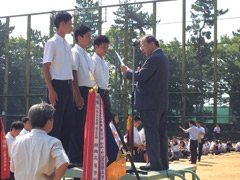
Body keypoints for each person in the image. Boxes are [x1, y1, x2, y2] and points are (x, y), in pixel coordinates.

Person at [121, 34, 169, 171]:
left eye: (143, 45)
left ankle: (154, 163)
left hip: (150, 104)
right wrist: (140, 73)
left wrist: (127, 71)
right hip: (161, 103)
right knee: (160, 134)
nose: (142, 49)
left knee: (151, 133)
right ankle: (162, 163)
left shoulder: (154, 58)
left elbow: (141, 76)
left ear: (152, 43)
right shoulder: (163, 58)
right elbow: (147, 77)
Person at [43, 11, 75, 154]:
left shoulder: (67, 44)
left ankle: (63, 158)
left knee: (67, 123)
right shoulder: (52, 42)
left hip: (68, 86)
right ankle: (51, 157)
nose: (71, 26)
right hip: (56, 86)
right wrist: (51, 89)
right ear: (62, 24)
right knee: (55, 123)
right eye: (70, 23)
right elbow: (46, 66)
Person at [10, 103, 69, 180]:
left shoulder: (17, 141)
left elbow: (12, 168)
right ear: (48, 122)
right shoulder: (53, 142)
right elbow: (63, 162)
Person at [68, 24, 93, 168]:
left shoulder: (87, 54)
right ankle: (75, 156)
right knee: (77, 124)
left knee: (85, 125)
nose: (90, 39)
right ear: (79, 37)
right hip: (80, 90)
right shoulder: (75, 52)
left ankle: (83, 155)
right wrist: (77, 95)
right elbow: (74, 73)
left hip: (89, 91)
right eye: (87, 36)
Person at [92, 35, 119, 166]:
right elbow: (92, 81)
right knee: (100, 125)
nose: (105, 50)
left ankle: (109, 154)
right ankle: (112, 153)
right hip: (97, 94)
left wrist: (108, 98)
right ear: (96, 47)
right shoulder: (92, 60)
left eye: (107, 47)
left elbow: (105, 82)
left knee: (105, 124)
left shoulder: (105, 62)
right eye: (103, 47)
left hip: (105, 93)